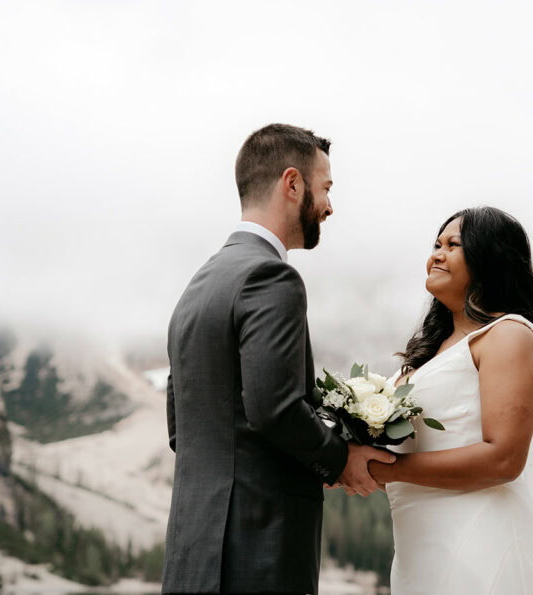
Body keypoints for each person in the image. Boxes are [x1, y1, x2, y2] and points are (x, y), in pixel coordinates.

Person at [161, 123, 394, 594]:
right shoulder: (270, 276)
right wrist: (337, 458)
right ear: (293, 184)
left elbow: (179, 428)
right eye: (325, 187)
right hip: (258, 552)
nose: (329, 206)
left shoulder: (199, 285)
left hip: (193, 552)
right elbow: (275, 408)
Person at [367, 206, 533, 594]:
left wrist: (389, 469)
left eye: (453, 245)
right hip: (420, 548)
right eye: (435, 244)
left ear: (488, 257)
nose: (437, 254)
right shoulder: (429, 352)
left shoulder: (508, 335)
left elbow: (503, 459)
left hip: (481, 544)